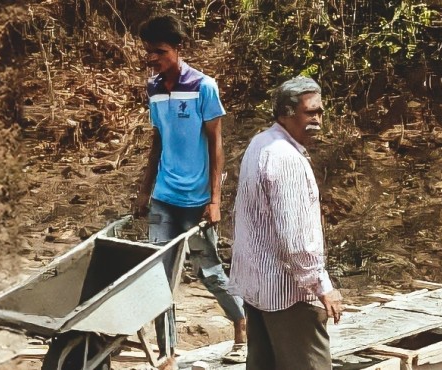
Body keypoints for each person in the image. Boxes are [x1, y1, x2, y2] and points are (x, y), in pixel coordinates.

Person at [131, 15, 247, 367]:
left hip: (196, 201)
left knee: (209, 271)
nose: (153, 58)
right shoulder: (153, 88)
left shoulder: (203, 86)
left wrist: (215, 200)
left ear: (178, 49)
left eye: (160, 51)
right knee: (159, 277)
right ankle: (168, 352)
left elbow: (216, 145)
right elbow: (158, 141)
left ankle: (241, 328)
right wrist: (144, 189)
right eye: (149, 52)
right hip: (164, 197)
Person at [229, 76, 343, 370]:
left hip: (259, 287)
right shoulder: (285, 159)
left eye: (320, 112)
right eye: (310, 113)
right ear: (285, 114)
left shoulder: (260, 144)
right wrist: (322, 286)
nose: (317, 120)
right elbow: (297, 237)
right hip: (289, 293)